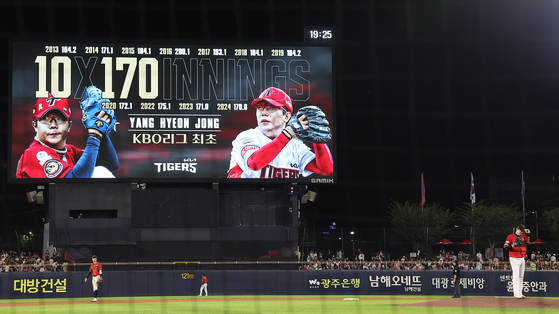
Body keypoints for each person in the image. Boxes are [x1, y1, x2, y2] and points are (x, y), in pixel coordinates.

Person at [227, 87, 333, 178]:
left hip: (281, 198)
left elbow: (325, 169)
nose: (263, 112)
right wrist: (288, 133)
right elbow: (254, 163)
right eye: (260, 108)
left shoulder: (296, 146)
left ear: (286, 116)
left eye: (271, 107)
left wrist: (319, 140)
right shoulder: (247, 136)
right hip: (244, 198)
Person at [16, 90, 119, 178]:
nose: (53, 125)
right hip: (38, 201)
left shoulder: (70, 151)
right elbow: (74, 180)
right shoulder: (33, 154)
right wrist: (94, 134)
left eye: (59, 119)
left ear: (69, 126)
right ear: (35, 125)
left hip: (62, 200)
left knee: (100, 171)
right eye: (46, 119)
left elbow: (110, 165)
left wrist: (100, 127)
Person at [503, 224, 532, 299]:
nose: (522, 232)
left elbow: (530, 242)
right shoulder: (510, 236)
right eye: (520, 230)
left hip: (522, 257)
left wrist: (529, 234)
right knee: (516, 275)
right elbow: (505, 247)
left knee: (521, 276)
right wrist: (512, 246)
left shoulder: (524, 236)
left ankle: (520, 292)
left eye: (523, 231)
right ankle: (516, 293)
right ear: (516, 229)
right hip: (514, 257)